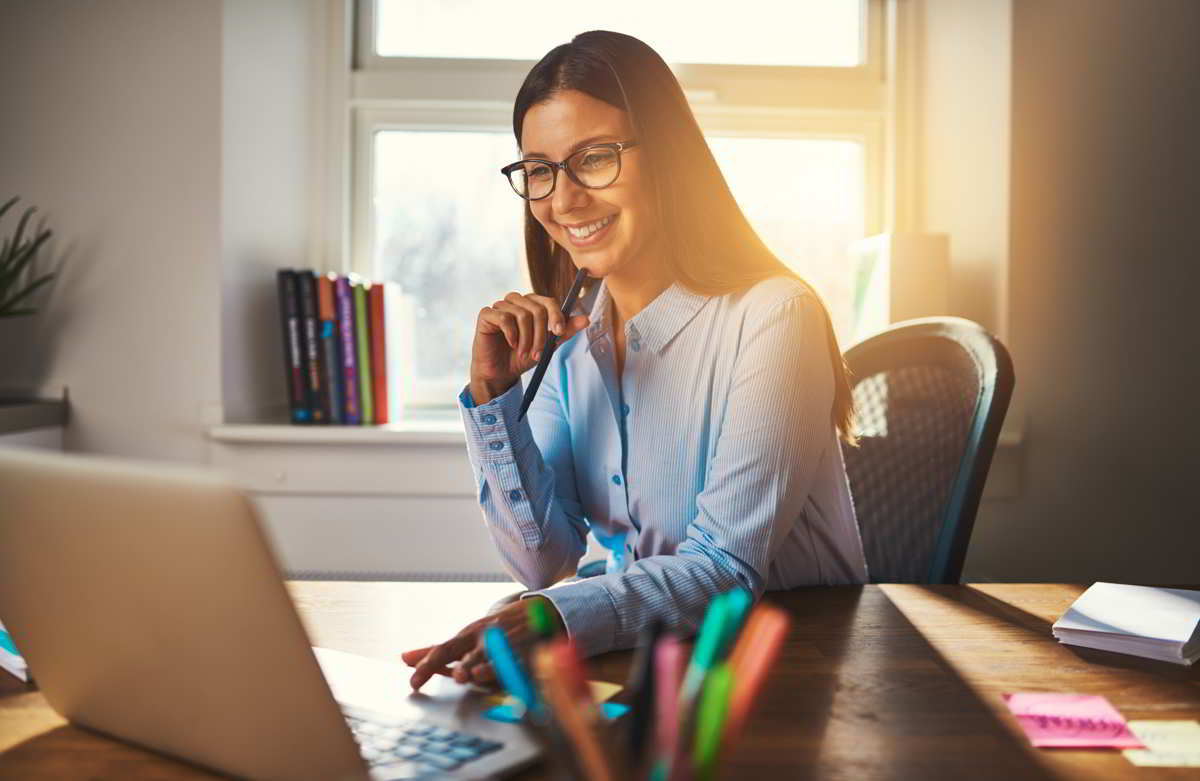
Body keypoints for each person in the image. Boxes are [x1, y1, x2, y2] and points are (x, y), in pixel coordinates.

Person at [402, 30, 867, 691]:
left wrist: (552, 619)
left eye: (594, 157)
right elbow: (543, 560)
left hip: (790, 672)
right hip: (652, 667)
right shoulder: (570, 342)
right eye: (539, 169)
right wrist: (494, 396)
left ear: (670, 157)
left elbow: (724, 568)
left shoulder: (775, 316)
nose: (562, 201)